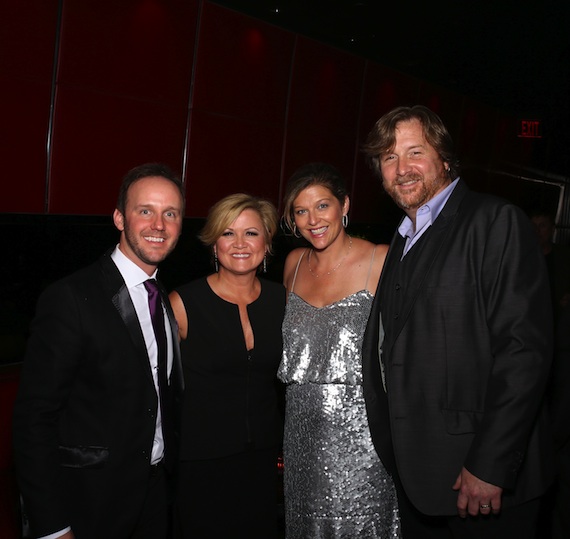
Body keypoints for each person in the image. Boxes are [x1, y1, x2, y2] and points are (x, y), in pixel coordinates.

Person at [360, 105, 554, 539]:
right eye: (389, 158)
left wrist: (490, 464)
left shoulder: (494, 222)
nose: (402, 168)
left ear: (445, 158)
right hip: (420, 476)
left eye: (415, 152)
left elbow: (523, 352)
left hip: (482, 482)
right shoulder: (403, 236)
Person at [13, 163, 185, 539]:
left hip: (155, 501)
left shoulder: (163, 297)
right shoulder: (71, 298)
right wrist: (53, 527)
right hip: (90, 507)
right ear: (120, 218)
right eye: (146, 211)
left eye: (170, 213)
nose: (159, 224)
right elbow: (33, 420)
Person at [277, 162, 400, 538]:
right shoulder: (293, 264)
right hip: (299, 431)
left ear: (344, 206)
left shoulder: (380, 259)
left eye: (323, 206)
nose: (313, 219)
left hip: (363, 436)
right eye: (301, 210)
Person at [169, 193, 286, 539]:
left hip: (262, 463)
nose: (239, 244)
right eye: (227, 233)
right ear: (213, 243)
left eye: (251, 233)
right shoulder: (183, 303)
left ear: (266, 243)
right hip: (199, 464)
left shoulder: (283, 302)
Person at [529, 207, 570, 324]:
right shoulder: (519, 256)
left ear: (552, 230)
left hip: (557, 321)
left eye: (542, 226)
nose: (536, 231)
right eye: (533, 226)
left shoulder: (565, 256)